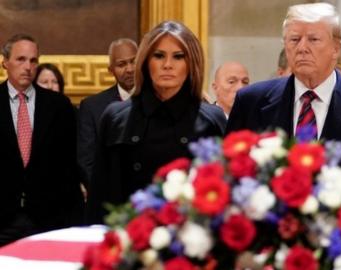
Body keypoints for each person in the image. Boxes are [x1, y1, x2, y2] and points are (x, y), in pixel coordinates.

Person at [86, 21, 227, 224]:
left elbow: (220, 197)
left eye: (178, 56)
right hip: (128, 236)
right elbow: (99, 198)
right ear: (145, 61)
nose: (167, 65)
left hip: (190, 239)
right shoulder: (116, 117)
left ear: (191, 63)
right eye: (159, 55)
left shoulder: (211, 119)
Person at [227, 3, 341, 160]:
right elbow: (231, 169)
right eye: (294, 39)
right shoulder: (250, 102)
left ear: (336, 48)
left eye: (313, 39)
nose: (302, 48)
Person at [0, 34, 83, 246]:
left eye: (33, 60)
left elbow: (69, 167)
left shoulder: (59, 106)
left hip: (47, 219)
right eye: (21, 59)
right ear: (5, 62)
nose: (28, 66)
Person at [77, 38, 137, 185]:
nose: (129, 69)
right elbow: (86, 161)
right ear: (110, 70)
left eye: (133, 61)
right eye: (121, 64)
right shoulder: (92, 106)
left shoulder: (158, 100)